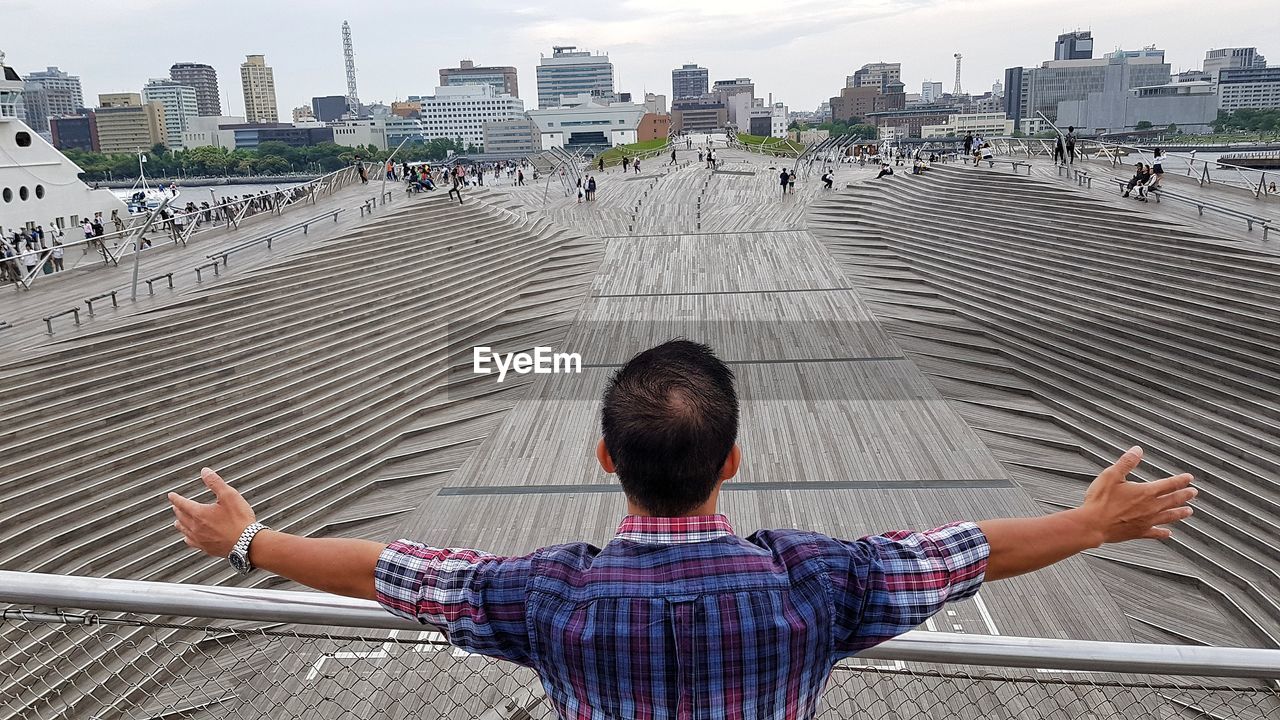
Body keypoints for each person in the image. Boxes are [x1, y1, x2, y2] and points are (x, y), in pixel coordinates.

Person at [169, 340, 1195, 720]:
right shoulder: (813, 581)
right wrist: (1090, 523)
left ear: (607, 461)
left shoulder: (547, 595)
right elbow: (964, 551)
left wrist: (247, 543)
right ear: (732, 462)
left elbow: (390, 571)